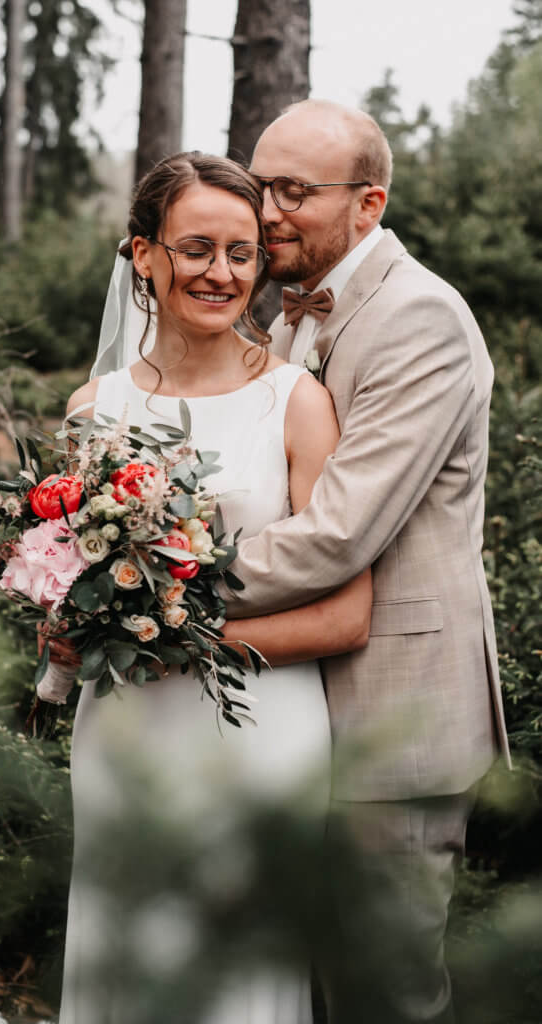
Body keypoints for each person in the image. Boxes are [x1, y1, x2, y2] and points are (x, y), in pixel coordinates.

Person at [49, 152, 373, 1024]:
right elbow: (71, 580)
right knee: (128, 948)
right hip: (124, 732)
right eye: (196, 248)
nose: (221, 274)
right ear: (143, 254)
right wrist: (63, 626)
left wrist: (177, 643)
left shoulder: (295, 402)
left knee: (237, 970)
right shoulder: (93, 409)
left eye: (240, 253)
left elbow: (346, 616)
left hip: (257, 730)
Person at [219, 100, 511, 1024]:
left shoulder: (418, 317)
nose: (266, 212)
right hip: (291, 709)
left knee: (381, 997)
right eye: (258, 185)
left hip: (394, 718)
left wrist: (161, 586)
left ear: (367, 203)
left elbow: (340, 532)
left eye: (293, 191)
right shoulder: (288, 314)